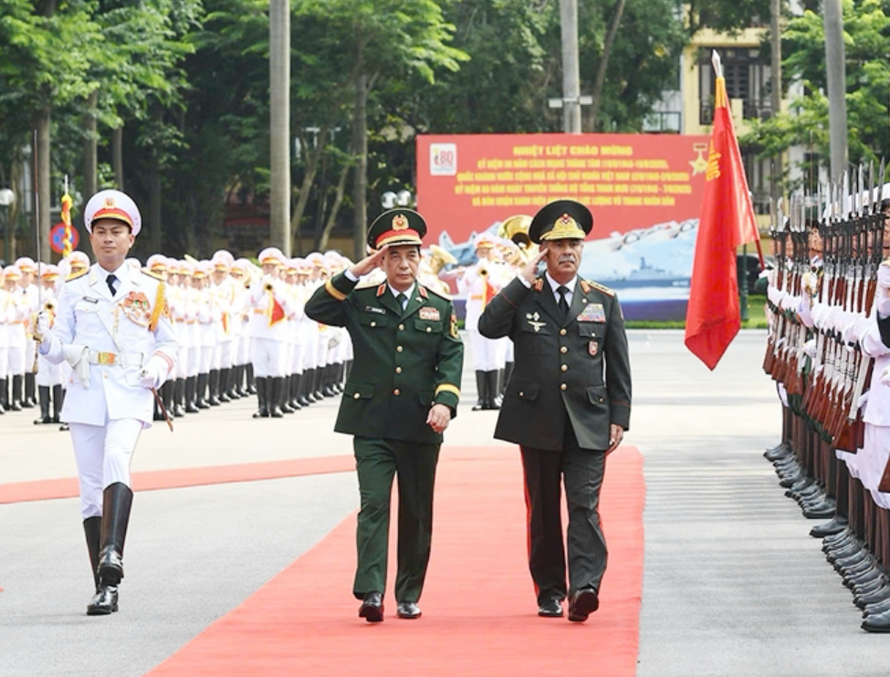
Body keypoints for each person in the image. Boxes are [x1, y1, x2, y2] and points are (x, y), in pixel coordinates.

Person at [304, 208, 464, 623]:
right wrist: (356, 271)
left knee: (416, 511)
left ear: (421, 258)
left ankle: (408, 592)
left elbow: (450, 357)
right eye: (394, 256)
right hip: (371, 423)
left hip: (420, 425)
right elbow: (316, 308)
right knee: (373, 505)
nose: (404, 263)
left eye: (411, 254)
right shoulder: (359, 301)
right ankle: (371, 591)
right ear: (382, 260)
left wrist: (444, 402)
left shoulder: (438, 307)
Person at [478, 199, 632, 622]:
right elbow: (488, 327)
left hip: (589, 421)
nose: (568, 251)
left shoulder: (602, 299)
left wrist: (619, 417)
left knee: (584, 504)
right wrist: (522, 280)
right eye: (558, 244)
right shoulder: (525, 296)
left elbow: (618, 363)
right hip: (537, 420)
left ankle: (584, 586)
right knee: (543, 510)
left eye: (575, 244)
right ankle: (550, 590)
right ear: (542, 250)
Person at [34, 189, 178, 615]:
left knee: (117, 456)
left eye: (117, 232)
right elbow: (61, 346)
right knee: (90, 493)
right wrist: (44, 338)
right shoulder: (75, 288)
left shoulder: (150, 288)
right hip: (86, 392)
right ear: (90, 238)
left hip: (131, 390)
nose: (108, 239)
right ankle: (104, 587)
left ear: (131, 238)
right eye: (101, 232)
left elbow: (169, 341)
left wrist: (157, 367)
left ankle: (112, 557)